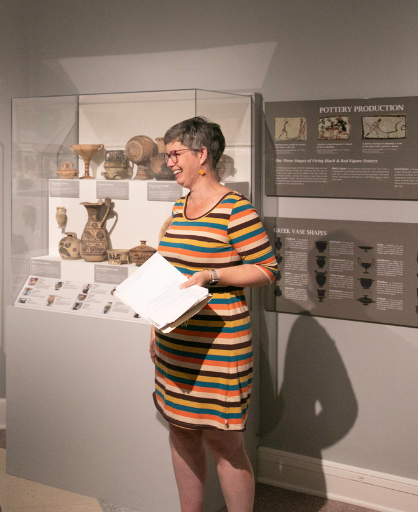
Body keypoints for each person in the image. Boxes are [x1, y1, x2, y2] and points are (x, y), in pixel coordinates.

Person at [151, 117, 277, 512]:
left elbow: (266, 270)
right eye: (167, 154)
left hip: (219, 345)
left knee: (225, 442)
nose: (168, 162)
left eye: (175, 154)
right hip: (176, 342)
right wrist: (155, 329)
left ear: (202, 154)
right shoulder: (179, 204)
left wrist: (214, 275)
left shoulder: (236, 210)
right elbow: (168, 270)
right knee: (182, 431)